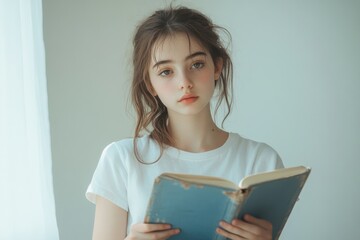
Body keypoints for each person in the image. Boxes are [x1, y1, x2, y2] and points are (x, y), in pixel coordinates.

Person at [86, 6, 283, 240]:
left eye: (197, 64)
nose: (184, 82)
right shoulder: (121, 159)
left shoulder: (261, 161)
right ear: (150, 85)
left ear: (217, 67)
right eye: (166, 71)